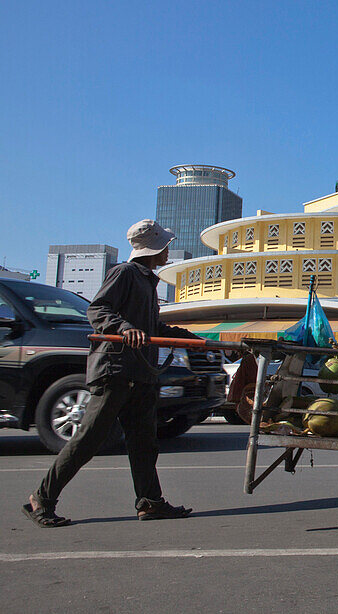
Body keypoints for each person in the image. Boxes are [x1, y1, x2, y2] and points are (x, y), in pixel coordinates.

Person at [23, 220, 198, 527]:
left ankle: (150, 502)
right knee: (89, 438)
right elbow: (99, 310)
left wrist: (188, 339)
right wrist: (124, 327)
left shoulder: (146, 281)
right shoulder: (125, 273)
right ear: (155, 248)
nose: (168, 249)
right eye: (165, 245)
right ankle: (41, 498)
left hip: (141, 373)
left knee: (144, 442)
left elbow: (152, 328)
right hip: (116, 370)